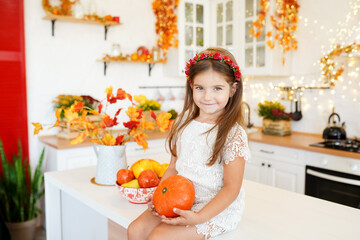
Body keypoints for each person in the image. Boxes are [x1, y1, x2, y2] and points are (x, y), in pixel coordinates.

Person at [127, 47, 250, 240]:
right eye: (200, 88)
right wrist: (160, 196)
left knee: (158, 237)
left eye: (217, 88)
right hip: (180, 199)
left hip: (213, 208)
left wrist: (199, 217)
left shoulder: (233, 134)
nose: (207, 97)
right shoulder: (183, 122)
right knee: (135, 230)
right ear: (191, 86)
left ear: (232, 89)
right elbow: (173, 167)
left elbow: (231, 189)